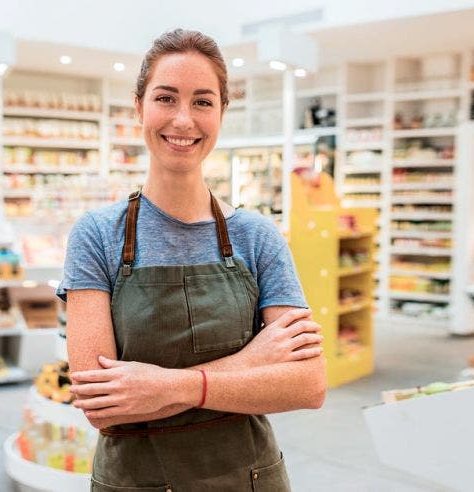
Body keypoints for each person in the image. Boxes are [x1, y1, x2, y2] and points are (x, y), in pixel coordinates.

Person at [56, 28, 327, 491]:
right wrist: (250, 362)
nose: (183, 119)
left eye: (203, 101)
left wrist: (166, 387)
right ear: (139, 106)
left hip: (249, 477)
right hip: (134, 481)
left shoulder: (257, 236)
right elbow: (103, 409)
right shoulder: (97, 235)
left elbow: (307, 384)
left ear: (222, 112)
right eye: (166, 98)